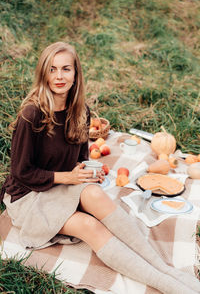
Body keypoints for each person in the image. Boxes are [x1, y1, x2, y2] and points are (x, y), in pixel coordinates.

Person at [0, 42, 199, 294]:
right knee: (89, 226)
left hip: (61, 185)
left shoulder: (80, 111)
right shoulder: (32, 114)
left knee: (95, 193)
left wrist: (87, 170)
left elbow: (81, 156)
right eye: (52, 70)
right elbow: (21, 172)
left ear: (76, 73)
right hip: (29, 196)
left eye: (66, 69)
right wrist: (70, 177)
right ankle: (168, 284)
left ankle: (164, 267)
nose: (59, 76)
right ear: (43, 74)